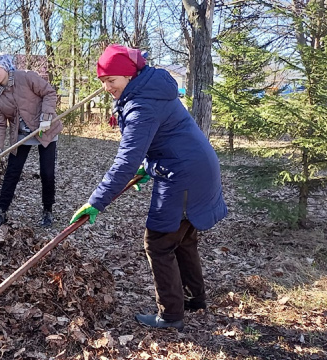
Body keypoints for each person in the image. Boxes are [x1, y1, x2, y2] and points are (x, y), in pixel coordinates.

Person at [70, 44, 227, 330]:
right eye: (103, 81)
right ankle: (194, 299)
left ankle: (170, 315)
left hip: (184, 175)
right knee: (183, 238)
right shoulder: (148, 91)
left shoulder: (142, 104)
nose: (107, 87)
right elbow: (162, 137)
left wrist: (96, 201)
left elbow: (125, 160)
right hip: (196, 167)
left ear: (129, 76)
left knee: (158, 242)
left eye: (111, 80)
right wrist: (149, 166)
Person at [0, 53, 61, 229]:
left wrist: (46, 117)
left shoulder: (26, 76)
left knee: (47, 173)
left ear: (6, 67)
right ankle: (1, 211)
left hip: (45, 129)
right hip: (21, 136)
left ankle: (48, 210)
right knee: (12, 173)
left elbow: (49, 93)